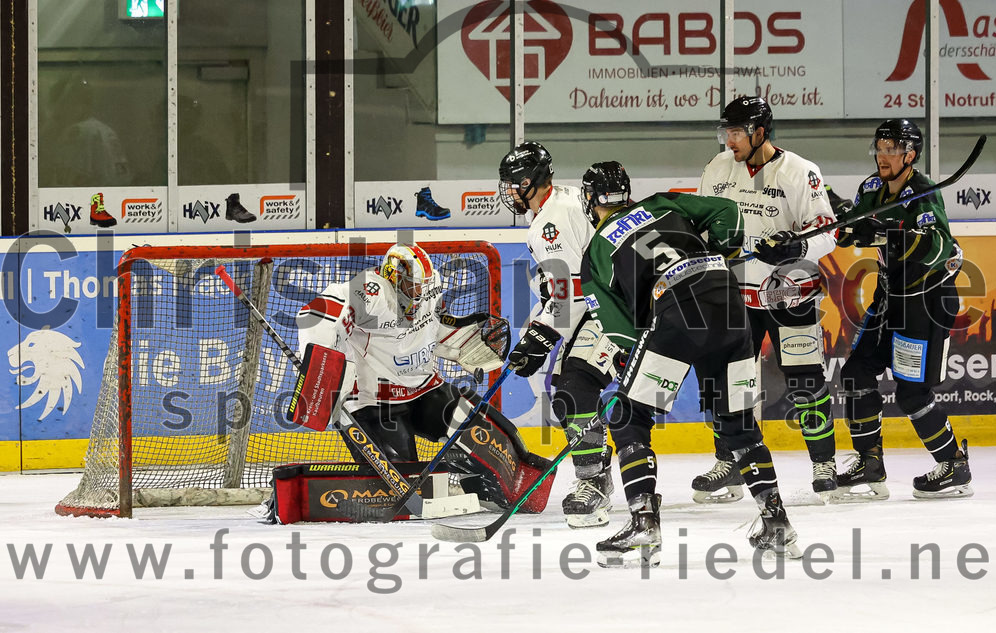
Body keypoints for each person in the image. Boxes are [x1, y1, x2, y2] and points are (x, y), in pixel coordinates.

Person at [580, 161, 801, 568]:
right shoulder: (664, 203)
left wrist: (638, 366)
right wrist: (720, 249)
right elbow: (728, 213)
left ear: (590, 201)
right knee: (737, 424)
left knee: (629, 418)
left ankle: (645, 523)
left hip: (678, 312)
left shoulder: (594, 252)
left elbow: (623, 333)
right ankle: (778, 524)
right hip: (731, 304)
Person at [295, 242, 548, 510]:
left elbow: (429, 329)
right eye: (413, 286)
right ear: (393, 277)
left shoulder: (429, 288)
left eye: (423, 286)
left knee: (476, 427)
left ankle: (492, 492)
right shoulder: (371, 291)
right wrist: (319, 363)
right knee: (401, 488)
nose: (420, 293)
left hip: (425, 391)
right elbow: (315, 313)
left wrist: (460, 340)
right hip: (376, 404)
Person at [695, 96, 840, 503]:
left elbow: (828, 232)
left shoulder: (800, 171)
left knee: (805, 379)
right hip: (736, 292)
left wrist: (797, 248)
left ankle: (823, 462)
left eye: (737, 132)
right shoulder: (717, 167)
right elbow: (702, 224)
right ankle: (731, 461)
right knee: (730, 381)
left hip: (789, 293)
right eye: (726, 131)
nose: (730, 139)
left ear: (760, 132)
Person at [833, 119, 973, 501]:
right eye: (879, 148)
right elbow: (849, 229)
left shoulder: (924, 193)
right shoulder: (873, 187)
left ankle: (953, 464)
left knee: (912, 393)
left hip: (925, 300)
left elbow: (940, 247)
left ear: (910, 155)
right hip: (889, 296)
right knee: (857, 372)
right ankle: (870, 463)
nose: (883, 155)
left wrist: (885, 232)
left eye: (891, 149)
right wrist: (839, 215)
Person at [498, 142, 619, 528]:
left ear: (530, 181)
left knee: (574, 387)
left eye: (513, 184)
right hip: (600, 306)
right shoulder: (560, 204)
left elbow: (575, 292)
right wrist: (536, 333)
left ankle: (595, 483)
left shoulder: (553, 222)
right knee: (569, 389)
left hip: (614, 309)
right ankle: (596, 476)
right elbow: (559, 292)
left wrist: (543, 334)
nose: (509, 192)